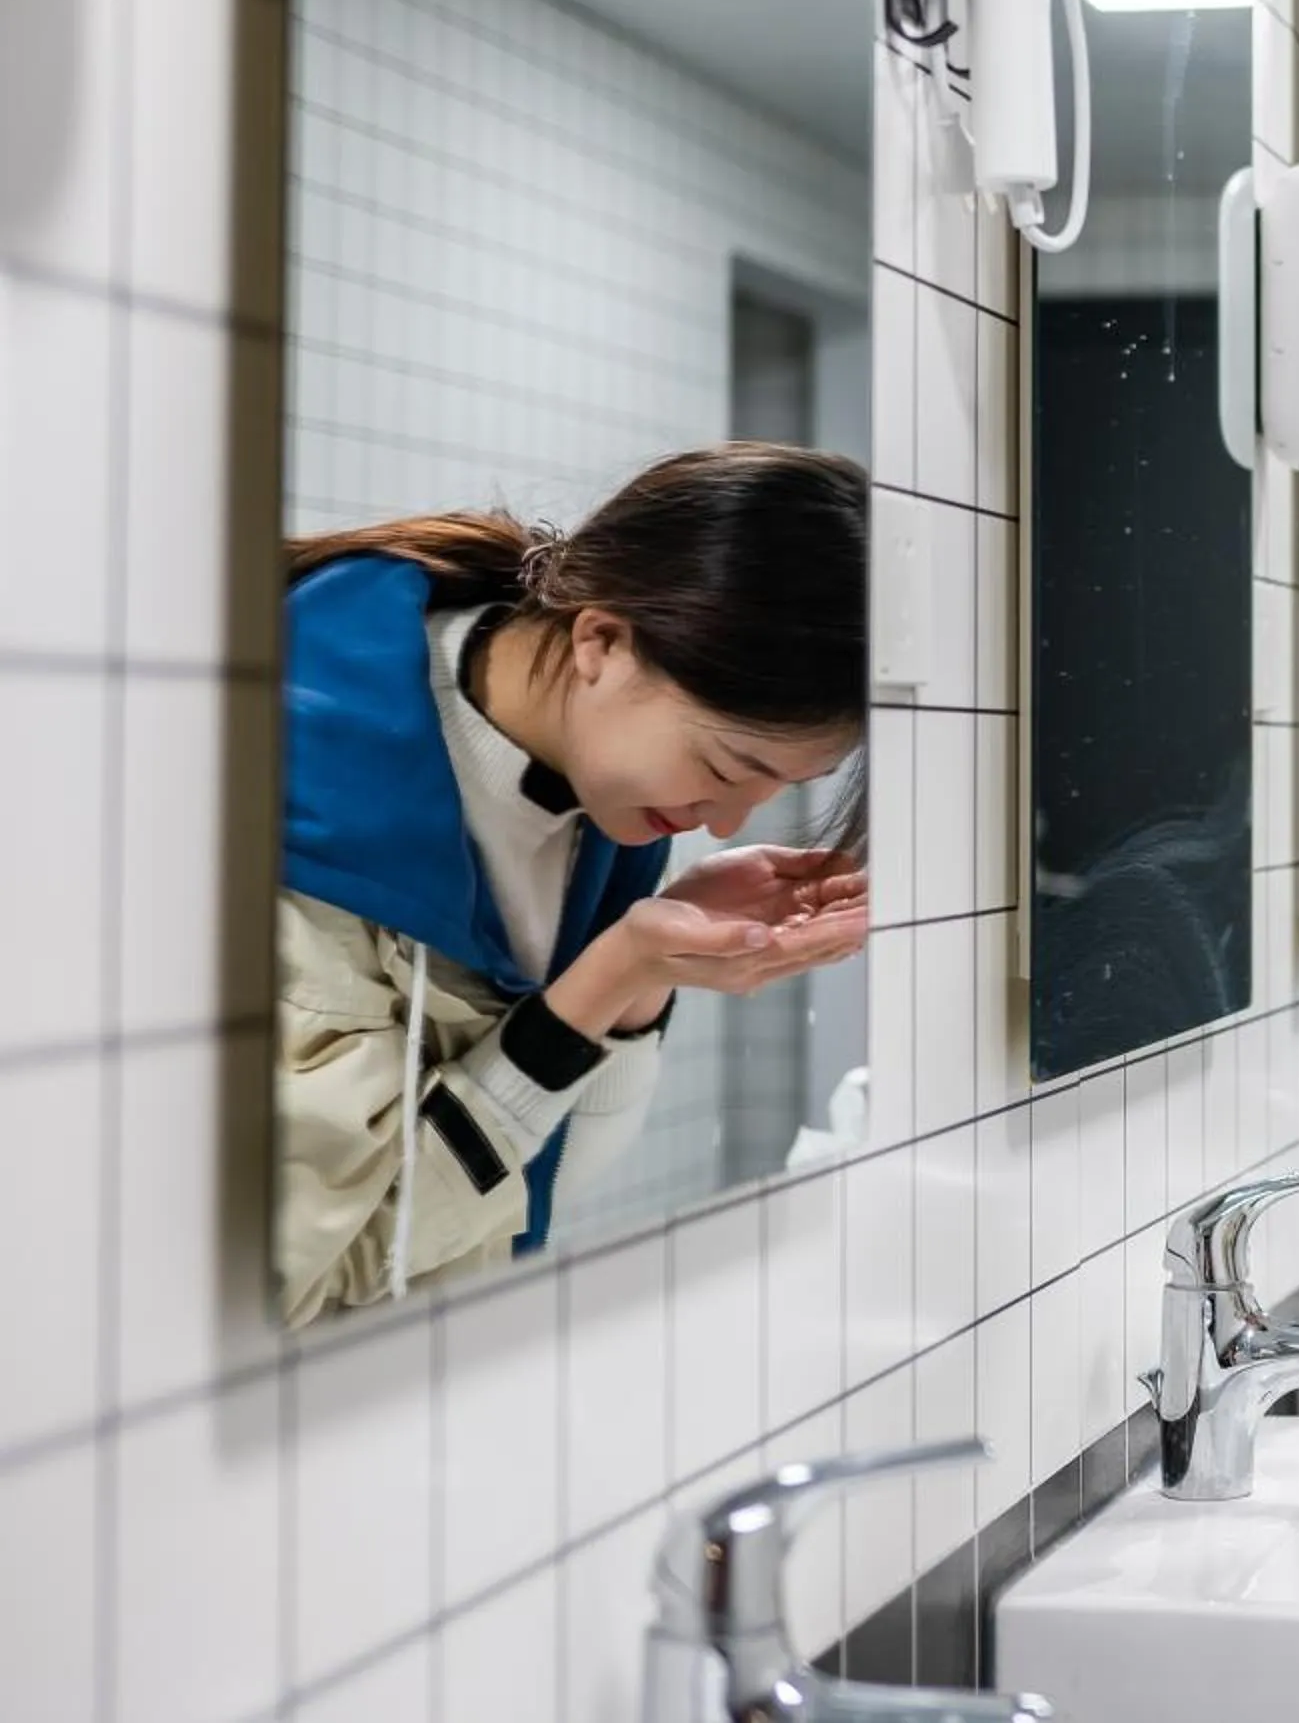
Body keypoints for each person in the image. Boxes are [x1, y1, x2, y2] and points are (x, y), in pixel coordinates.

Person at [274, 444, 872, 1326]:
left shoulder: (608, 805)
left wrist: (640, 972)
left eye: (774, 787)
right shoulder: (298, 789)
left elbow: (536, 1191)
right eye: (725, 764)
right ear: (601, 640)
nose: (727, 822)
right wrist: (602, 982)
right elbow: (311, 1275)